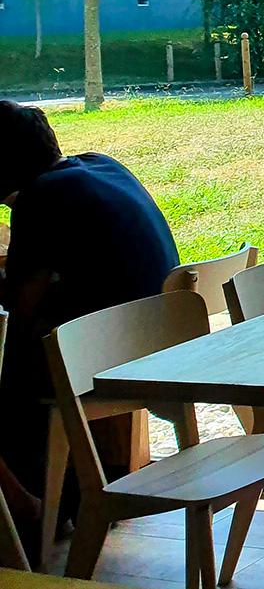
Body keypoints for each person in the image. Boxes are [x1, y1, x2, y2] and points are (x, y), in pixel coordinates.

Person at [0, 101, 179, 547]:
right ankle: (53, 501)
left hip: (116, 356)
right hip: (164, 335)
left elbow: (21, 304)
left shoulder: (40, 198)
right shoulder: (101, 165)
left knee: (12, 365)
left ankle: (34, 511)